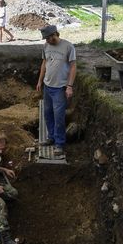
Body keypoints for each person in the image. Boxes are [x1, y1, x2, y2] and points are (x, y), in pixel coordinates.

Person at [36, 24, 76, 160]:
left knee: (59, 116)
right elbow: (44, 64)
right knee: (47, 113)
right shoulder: (46, 46)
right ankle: (51, 137)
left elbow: (73, 67)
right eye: (45, 38)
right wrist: (40, 81)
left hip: (60, 87)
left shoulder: (68, 46)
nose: (47, 41)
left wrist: (69, 86)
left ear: (55, 34)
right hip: (48, 85)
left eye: (48, 38)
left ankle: (59, 143)